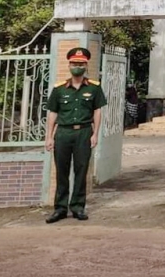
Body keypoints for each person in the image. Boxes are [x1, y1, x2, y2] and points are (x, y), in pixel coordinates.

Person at [44, 47, 107, 223]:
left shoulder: (94, 88)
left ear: (86, 66)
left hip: (84, 132)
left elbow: (97, 111)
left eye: (80, 64)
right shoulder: (59, 89)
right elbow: (52, 114)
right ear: (69, 65)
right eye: (74, 63)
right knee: (61, 171)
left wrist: (95, 134)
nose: (77, 66)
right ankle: (60, 208)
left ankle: (78, 206)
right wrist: (49, 136)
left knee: (81, 170)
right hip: (63, 133)